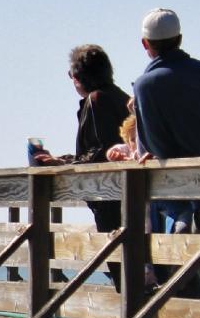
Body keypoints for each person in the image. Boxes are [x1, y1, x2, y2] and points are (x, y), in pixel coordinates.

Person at [130, 8, 200, 297]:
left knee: (188, 266)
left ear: (145, 44)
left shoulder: (147, 85)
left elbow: (156, 146)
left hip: (198, 192)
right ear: (180, 38)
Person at [34, 44, 132, 234]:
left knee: (118, 257)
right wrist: (65, 160)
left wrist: (63, 164)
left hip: (109, 195)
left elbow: (99, 153)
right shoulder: (121, 97)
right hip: (128, 193)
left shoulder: (96, 100)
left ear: (77, 78)